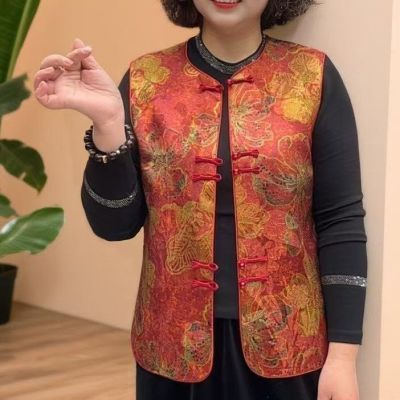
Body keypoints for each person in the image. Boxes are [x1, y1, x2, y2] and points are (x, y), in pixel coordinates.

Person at [34, 0, 368, 399]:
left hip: (289, 346)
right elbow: (114, 226)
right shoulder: (145, 79)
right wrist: (107, 125)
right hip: (171, 348)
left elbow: (339, 220)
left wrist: (343, 358)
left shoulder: (312, 76)